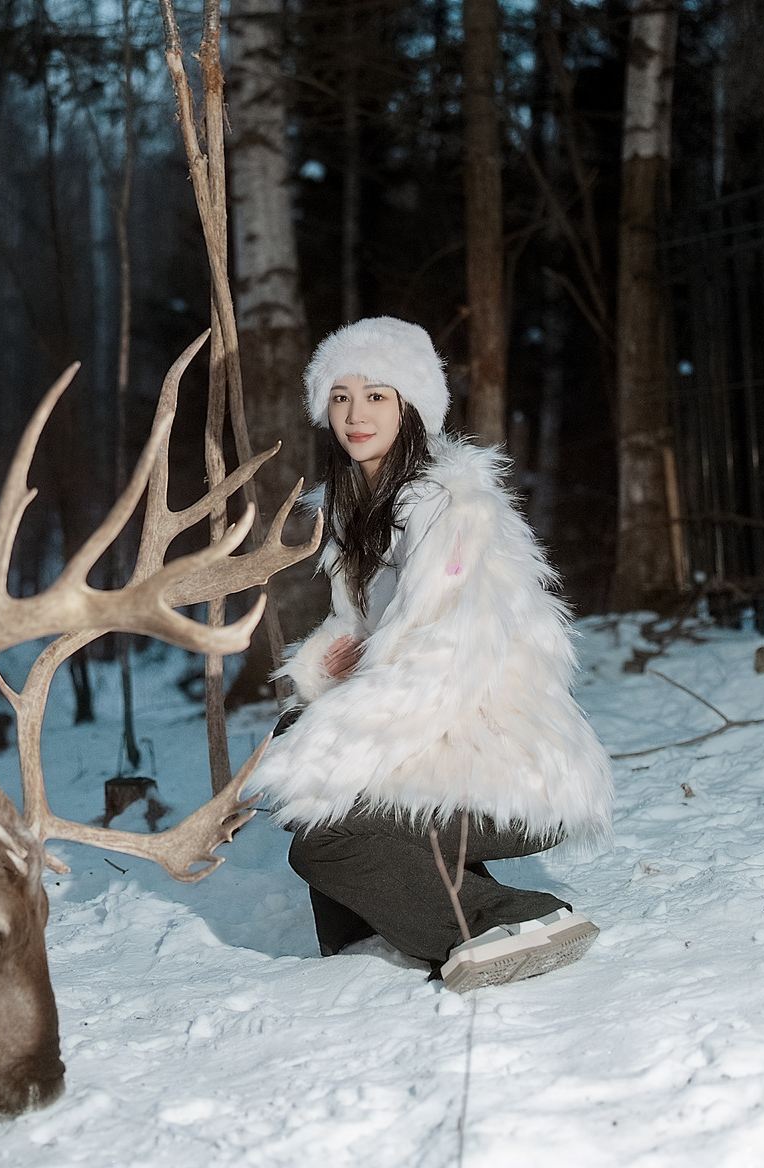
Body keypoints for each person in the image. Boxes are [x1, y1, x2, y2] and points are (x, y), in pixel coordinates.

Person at [246, 316, 612, 992]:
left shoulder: (448, 505)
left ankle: (514, 919)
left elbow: (444, 663)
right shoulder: (363, 507)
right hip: (441, 744)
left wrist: (330, 746)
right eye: (341, 397)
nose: (356, 415)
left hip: (502, 768)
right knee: (309, 760)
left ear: (410, 406)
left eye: (377, 396)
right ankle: (375, 939)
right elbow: (370, 636)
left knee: (327, 832)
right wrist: (330, 671)